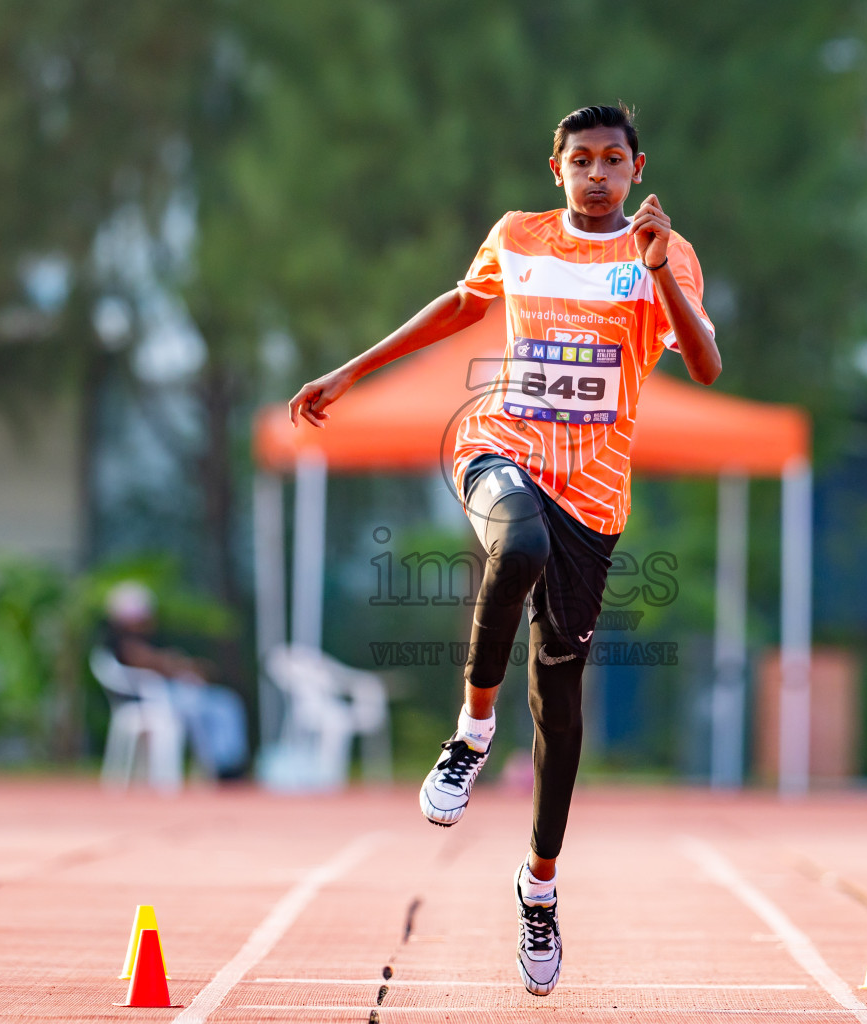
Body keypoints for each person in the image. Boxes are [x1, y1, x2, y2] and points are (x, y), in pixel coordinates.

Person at [287, 103, 720, 996]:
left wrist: (658, 272)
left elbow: (707, 364)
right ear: (557, 168)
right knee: (512, 544)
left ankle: (539, 886)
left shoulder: (663, 255)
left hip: (594, 498)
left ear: (637, 170)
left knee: (560, 711)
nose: (596, 174)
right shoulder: (519, 236)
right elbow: (459, 304)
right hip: (499, 445)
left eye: (612, 160)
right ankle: (473, 731)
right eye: (581, 160)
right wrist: (351, 371)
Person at [102, 580, 250, 781]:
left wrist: (183, 668)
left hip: (169, 694)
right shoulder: (120, 642)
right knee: (213, 707)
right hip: (153, 700)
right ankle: (224, 768)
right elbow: (151, 661)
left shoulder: (150, 638)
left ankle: (226, 764)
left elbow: (164, 661)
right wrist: (182, 666)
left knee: (224, 702)